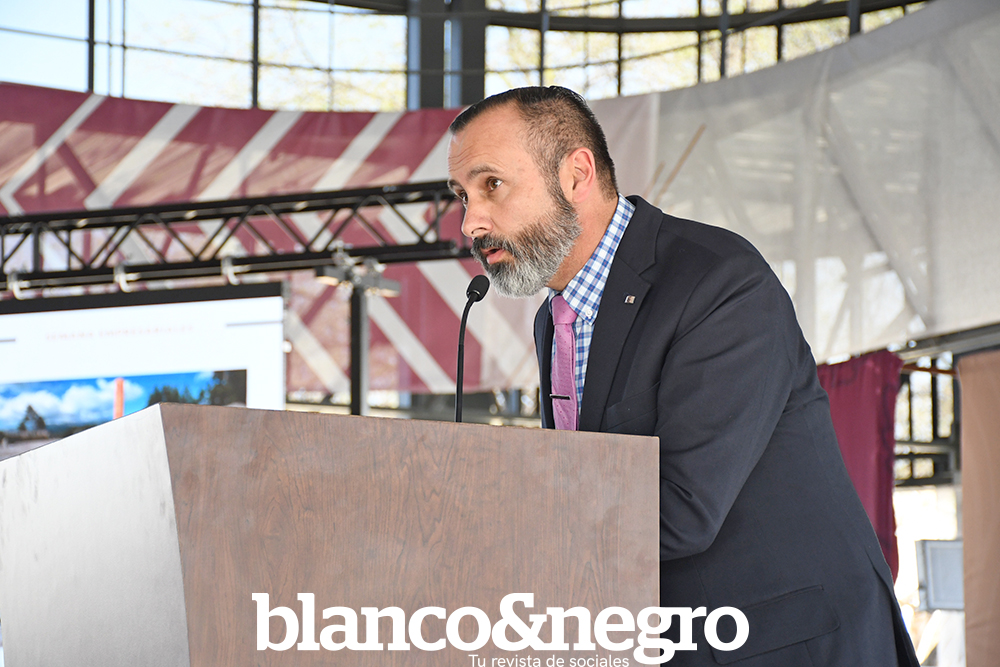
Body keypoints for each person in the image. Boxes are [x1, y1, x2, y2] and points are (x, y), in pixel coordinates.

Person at [447, 86, 919, 666]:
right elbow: (587, 485)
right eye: (462, 195)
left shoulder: (719, 282)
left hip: (790, 645)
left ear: (576, 175)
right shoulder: (555, 318)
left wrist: (490, 513)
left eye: (492, 185)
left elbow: (682, 508)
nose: (471, 222)